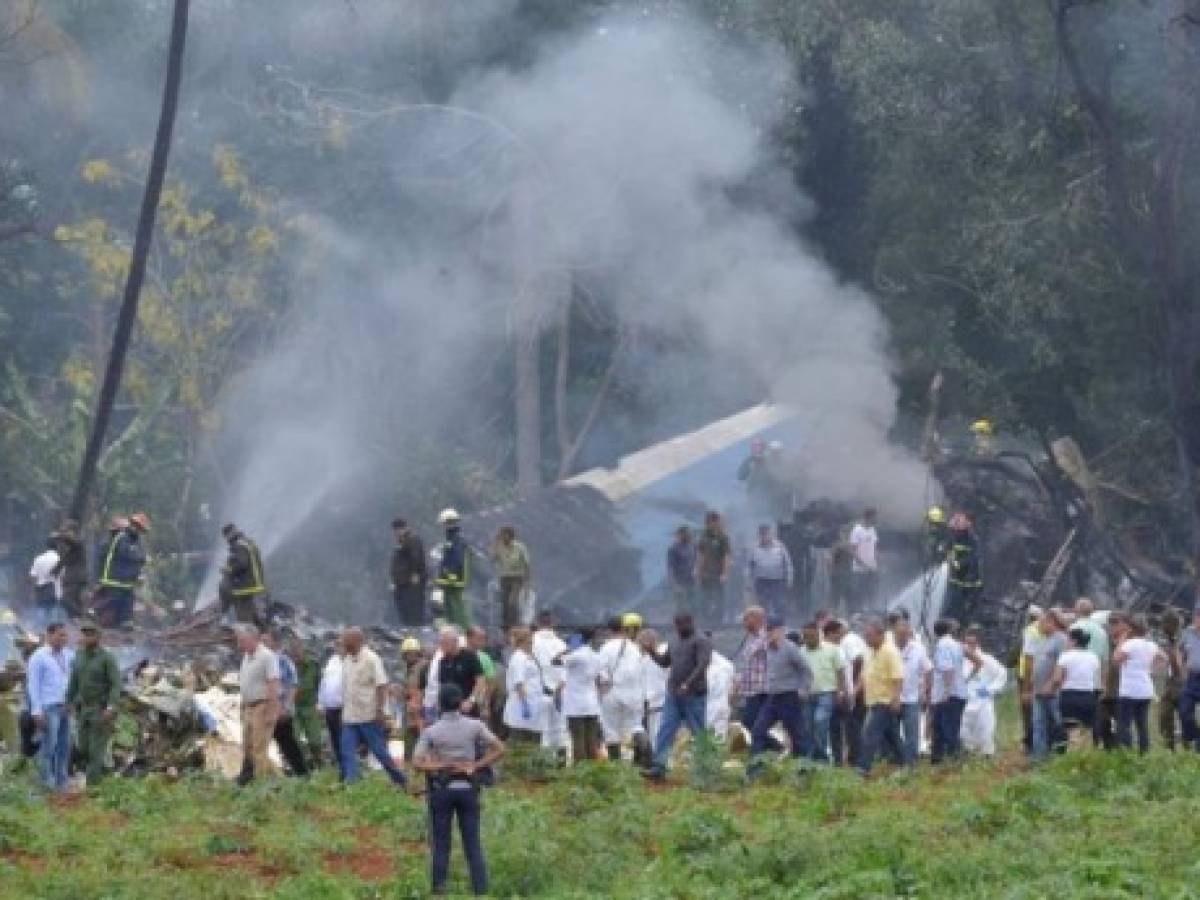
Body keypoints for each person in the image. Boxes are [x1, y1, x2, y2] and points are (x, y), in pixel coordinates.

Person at [412, 683, 505, 897]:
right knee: (473, 844)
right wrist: (477, 765)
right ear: (460, 703)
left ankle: (439, 890)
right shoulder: (474, 726)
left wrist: (440, 766)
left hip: (442, 790)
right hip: (468, 789)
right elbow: (500, 748)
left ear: (440, 705)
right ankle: (480, 891)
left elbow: (417, 762)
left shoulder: (431, 731)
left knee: (441, 844)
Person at [645, 612, 711, 780]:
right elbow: (665, 662)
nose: (680, 628)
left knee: (698, 731)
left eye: (682, 624)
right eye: (677, 625)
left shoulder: (701, 640)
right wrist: (652, 652)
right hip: (674, 694)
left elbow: (703, 664)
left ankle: (706, 769)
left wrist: (688, 683)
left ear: (691, 623)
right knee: (666, 730)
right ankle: (659, 767)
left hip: (694, 694)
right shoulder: (674, 641)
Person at [338, 627, 406, 786]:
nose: (345, 646)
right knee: (347, 750)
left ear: (357, 641)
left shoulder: (371, 659)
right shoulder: (346, 660)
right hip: (350, 716)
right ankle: (351, 783)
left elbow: (381, 685)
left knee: (380, 752)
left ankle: (400, 779)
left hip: (369, 715)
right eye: (344, 643)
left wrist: (380, 710)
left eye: (348, 642)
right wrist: (343, 711)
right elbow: (346, 688)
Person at [747, 614, 811, 775]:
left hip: (789, 697)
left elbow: (805, 670)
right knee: (758, 730)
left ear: (781, 631)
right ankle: (755, 770)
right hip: (772, 697)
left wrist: (803, 689)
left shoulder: (790, 648)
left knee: (798, 735)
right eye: (767, 630)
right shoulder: (767, 647)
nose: (769, 633)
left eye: (772, 630)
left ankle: (803, 771)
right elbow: (749, 654)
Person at [66, 618, 120, 785]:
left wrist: (111, 707)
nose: (86, 637)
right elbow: (74, 680)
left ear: (98, 637)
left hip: (101, 709)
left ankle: (93, 786)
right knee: (82, 746)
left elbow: (116, 684)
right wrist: (69, 701)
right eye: (84, 634)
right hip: (84, 709)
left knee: (96, 749)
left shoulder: (107, 658)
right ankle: (95, 774)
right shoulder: (79, 655)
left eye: (90, 634)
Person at [599, 613, 651, 763]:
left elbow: (601, 672)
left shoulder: (606, 648)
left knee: (611, 729)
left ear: (609, 630)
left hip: (612, 692)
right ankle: (643, 759)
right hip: (634, 694)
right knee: (635, 726)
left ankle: (616, 766)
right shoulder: (634, 648)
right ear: (624, 628)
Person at [27, 622, 73, 792]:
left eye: (65, 636)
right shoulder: (39, 657)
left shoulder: (68, 655)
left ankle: (62, 782)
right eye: (60, 635)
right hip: (49, 708)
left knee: (64, 746)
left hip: (65, 707)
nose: (64, 639)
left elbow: (72, 679)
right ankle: (46, 783)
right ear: (49, 635)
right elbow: (33, 685)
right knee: (48, 746)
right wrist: (36, 711)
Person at [1112, 616, 1166, 754]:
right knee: (1142, 724)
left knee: (1124, 724)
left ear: (1131, 629)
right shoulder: (1151, 645)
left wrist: (1122, 640)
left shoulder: (1130, 644)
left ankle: (1126, 752)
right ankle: (1144, 753)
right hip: (1146, 689)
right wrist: (1152, 668)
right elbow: (1163, 658)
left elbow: (1116, 659)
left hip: (1129, 690)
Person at [857, 620, 904, 776]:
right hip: (873, 700)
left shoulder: (890, 651)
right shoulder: (871, 652)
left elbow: (898, 677)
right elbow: (865, 676)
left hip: (885, 700)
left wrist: (896, 699)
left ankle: (863, 768)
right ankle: (904, 763)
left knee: (869, 733)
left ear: (880, 635)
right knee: (891, 736)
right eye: (865, 636)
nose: (866, 639)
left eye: (869, 636)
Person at [235, 625, 280, 785]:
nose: (239, 645)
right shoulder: (247, 656)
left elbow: (273, 683)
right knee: (247, 743)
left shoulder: (267, 657)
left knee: (259, 746)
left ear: (253, 639)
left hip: (262, 705)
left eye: (242, 641)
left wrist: (271, 711)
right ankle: (246, 776)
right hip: (248, 706)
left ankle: (262, 783)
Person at [799, 620, 844, 763]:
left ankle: (823, 758)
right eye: (805, 637)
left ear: (818, 634)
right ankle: (811, 757)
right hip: (808, 694)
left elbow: (840, 671)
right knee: (808, 726)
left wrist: (840, 691)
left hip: (827, 693)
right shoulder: (801, 652)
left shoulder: (832, 649)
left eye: (811, 636)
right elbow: (799, 673)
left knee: (820, 722)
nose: (808, 640)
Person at [556, 628, 604, 762]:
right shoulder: (596, 655)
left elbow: (555, 661)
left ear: (579, 638)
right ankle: (592, 768)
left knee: (577, 738)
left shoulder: (576, 655)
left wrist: (568, 649)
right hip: (591, 703)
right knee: (591, 740)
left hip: (576, 704)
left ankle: (580, 769)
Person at [733, 607, 776, 752]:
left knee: (754, 724)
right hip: (751, 690)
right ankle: (771, 749)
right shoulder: (750, 638)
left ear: (757, 619)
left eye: (747, 619)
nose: (744, 623)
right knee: (749, 724)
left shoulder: (768, 636)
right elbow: (748, 663)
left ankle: (771, 749)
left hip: (763, 689)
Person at [959, 627, 1006, 757]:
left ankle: (987, 753)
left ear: (977, 643)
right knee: (964, 729)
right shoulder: (959, 659)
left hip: (982, 700)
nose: (969, 646)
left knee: (985, 728)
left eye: (972, 643)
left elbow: (1001, 673)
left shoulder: (987, 659)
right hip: (965, 700)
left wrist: (991, 690)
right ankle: (968, 751)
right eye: (967, 643)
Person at [96, 513, 149, 626]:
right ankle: (94, 614)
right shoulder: (122, 537)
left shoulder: (136, 541)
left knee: (127, 607)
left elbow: (140, 558)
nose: (139, 531)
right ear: (133, 525)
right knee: (112, 603)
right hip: (116, 579)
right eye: (137, 527)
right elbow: (126, 554)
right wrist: (141, 557)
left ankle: (125, 625)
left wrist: (139, 573)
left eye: (141, 529)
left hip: (128, 581)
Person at [1028, 610, 1067, 761]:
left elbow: (1061, 664)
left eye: (1042, 622)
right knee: (1038, 724)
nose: (1039, 625)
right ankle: (1039, 756)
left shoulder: (1061, 640)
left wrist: (1051, 683)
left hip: (1054, 691)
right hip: (1039, 690)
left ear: (1052, 622)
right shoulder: (1044, 640)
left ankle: (1061, 756)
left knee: (1058, 722)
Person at [930, 619, 969, 763]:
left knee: (945, 729)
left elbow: (948, 669)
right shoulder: (956, 645)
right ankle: (939, 760)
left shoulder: (943, 645)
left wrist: (946, 691)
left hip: (948, 695)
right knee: (944, 728)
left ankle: (951, 761)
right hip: (956, 692)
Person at [1053, 627, 1101, 745]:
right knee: (1087, 730)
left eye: (1068, 639)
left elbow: (1057, 678)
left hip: (1069, 696)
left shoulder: (1065, 656)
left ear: (1074, 641)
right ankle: (1087, 756)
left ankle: (1073, 756)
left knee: (1072, 730)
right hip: (1088, 695)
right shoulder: (1093, 657)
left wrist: (1054, 688)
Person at [893, 619, 930, 767]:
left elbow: (928, 670)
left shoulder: (918, 649)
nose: (902, 637)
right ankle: (896, 760)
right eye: (899, 634)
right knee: (892, 733)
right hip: (892, 697)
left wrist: (925, 691)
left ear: (909, 634)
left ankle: (910, 764)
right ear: (894, 633)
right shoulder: (888, 647)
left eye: (905, 634)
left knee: (912, 733)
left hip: (912, 697)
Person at [826, 619, 864, 767]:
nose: (841, 635)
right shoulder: (837, 645)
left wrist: (853, 684)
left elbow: (858, 660)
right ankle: (842, 759)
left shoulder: (845, 643)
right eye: (839, 632)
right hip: (839, 691)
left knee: (849, 727)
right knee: (842, 727)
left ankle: (852, 760)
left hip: (847, 692)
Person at [533, 611, 569, 758]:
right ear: (553, 623)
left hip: (539, 692)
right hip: (560, 692)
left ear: (537, 623)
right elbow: (565, 670)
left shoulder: (532, 642)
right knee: (560, 731)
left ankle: (544, 767)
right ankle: (560, 766)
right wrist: (560, 688)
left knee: (543, 731)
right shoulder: (561, 644)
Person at [502, 627, 544, 744]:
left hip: (534, 704)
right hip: (521, 705)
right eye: (529, 640)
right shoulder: (518, 657)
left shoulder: (529, 656)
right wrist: (525, 704)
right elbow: (518, 683)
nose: (532, 643)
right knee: (520, 740)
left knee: (533, 738)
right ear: (522, 641)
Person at [288, 636, 324, 769]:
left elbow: (321, 685)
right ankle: (299, 767)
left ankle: (319, 765)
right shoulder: (287, 665)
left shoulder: (313, 665)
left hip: (310, 707)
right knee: (295, 739)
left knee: (315, 740)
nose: (296, 653)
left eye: (298, 649)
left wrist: (320, 703)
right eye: (293, 650)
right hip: (293, 708)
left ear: (303, 650)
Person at [435, 626, 487, 718]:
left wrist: (471, 700)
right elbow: (442, 685)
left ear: (455, 642)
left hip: (468, 709)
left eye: (445, 643)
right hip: (448, 712)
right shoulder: (442, 662)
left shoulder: (469, 657)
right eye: (441, 643)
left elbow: (481, 681)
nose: (442, 646)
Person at [746, 524, 794, 617]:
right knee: (762, 605)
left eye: (767, 534)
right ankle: (764, 625)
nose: (765, 537)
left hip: (777, 580)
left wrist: (789, 579)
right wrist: (748, 582)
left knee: (779, 604)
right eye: (762, 534)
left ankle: (780, 625)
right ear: (759, 535)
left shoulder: (780, 546)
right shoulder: (754, 548)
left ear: (771, 534)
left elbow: (788, 564)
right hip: (761, 580)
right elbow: (748, 566)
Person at [434, 509, 471, 628]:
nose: (443, 526)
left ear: (450, 523)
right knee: (449, 609)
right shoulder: (450, 539)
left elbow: (457, 559)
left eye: (445, 524)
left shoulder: (457, 540)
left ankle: (464, 630)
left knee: (457, 609)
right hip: (449, 581)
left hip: (454, 581)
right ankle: (454, 629)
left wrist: (450, 574)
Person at [489, 526, 531, 629]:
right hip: (504, 577)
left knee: (512, 602)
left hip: (517, 578)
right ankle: (506, 626)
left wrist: (527, 582)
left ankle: (514, 625)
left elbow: (527, 564)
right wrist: (495, 544)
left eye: (505, 535)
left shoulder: (520, 547)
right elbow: (492, 559)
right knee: (504, 602)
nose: (503, 537)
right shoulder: (500, 547)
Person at [694, 512, 731, 626]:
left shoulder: (723, 537)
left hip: (718, 574)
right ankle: (706, 621)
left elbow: (726, 556)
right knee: (704, 598)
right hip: (706, 574)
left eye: (715, 522)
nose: (712, 524)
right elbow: (700, 554)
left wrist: (725, 573)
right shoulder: (703, 537)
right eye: (709, 522)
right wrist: (697, 570)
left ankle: (718, 621)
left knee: (719, 598)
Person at [389, 518, 427, 626]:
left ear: (405, 528)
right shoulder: (401, 542)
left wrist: (415, 574)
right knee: (404, 609)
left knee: (414, 608)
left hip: (411, 583)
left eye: (399, 529)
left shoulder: (413, 539)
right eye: (395, 530)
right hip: (401, 582)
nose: (397, 532)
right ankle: (408, 627)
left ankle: (416, 628)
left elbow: (416, 558)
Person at [1096, 612, 1126, 749]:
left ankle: (1120, 750)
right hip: (1105, 688)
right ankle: (1109, 749)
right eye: (1111, 622)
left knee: (1121, 723)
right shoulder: (1104, 640)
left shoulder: (1129, 642)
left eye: (1116, 622)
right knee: (1102, 722)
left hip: (1121, 689)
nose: (1112, 626)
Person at [1017, 605, 1045, 752]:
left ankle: (1030, 742)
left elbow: (1028, 656)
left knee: (1028, 708)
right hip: (1042, 673)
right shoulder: (1045, 629)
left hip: (1027, 674)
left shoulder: (1029, 630)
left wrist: (1026, 687)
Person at [945, 513, 983, 618]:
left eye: (957, 530)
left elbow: (974, 557)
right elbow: (949, 550)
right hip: (955, 582)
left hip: (971, 583)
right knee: (952, 609)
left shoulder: (973, 540)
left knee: (967, 612)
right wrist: (949, 557)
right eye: (954, 530)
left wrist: (960, 563)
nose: (955, 532)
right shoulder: (953, 538)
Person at [317, 639, 346, 772]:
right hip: (330, 707)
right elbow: (325, 682)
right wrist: (321, 702)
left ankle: (347, 768)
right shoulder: (332, 661)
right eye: (337, 646)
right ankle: (341, 766)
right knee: (334, 739)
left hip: (344, 708)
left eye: (340, 646)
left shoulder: (350, 661)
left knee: (344, 739)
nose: (338, 648)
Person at [1159, 609, 1185, 750]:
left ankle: (1187, 746)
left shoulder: (1180, 639)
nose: (1162, 627)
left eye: (1164, 624)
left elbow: (1178, 668)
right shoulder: (1170, 639)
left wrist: (1172, 651)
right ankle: (1170, 749)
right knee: (1165, 719)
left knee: (1184, 717)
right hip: (1170, 682)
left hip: (1180, 683)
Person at [52, 520, 87, 619]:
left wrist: (60, 535)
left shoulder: (79, 543)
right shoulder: (71, 548)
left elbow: (71, 541)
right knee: (74, 601)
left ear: (73, 531)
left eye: (68, 531)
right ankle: (76, 621)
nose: (66, 533)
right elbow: (64, 560)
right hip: (72, 579)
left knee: (66, 599)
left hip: (76, 578)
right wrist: (55, 570)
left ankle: (82, 616)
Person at [639, 628, 667, 748]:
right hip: (657, 701)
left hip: (656, 701)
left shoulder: (648, 659)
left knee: (656, 734)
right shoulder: (646, 659)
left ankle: (658, 761)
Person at [1177, 606, 1200, 751]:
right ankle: (1195, 736)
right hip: (1192, 678)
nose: (1198, 620)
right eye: (1197, 617)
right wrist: (1182, 666)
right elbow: (1180, 650)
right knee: (1184, 711)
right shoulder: (1187, 633)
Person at [848, 508, 880, 611]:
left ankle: (869, 611)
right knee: (859, 592)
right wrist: (861, 563)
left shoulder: (872, 530)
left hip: (872, 568)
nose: (876, 520)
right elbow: (852, 550)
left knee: (871, 592)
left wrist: (877, 563)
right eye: (874, 518)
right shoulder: (857, 530)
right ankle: (856, 612)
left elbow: (874, 547)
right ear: (868, 517)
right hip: (859, 569)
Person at [28, 537, 62, 629]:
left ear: (47, 546)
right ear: (57, 547)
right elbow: (63, 576)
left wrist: (32, 591)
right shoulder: (59, 559)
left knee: (41, 610)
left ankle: (40, 634)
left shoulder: (38, 558)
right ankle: (52, 635)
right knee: (54, 615)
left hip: (41, 590)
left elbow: (33, 576)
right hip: (55, 591)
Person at [706, 646, 736, 742]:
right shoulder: (727, 664)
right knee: (719, 739)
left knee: (707, 740)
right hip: (723, 705)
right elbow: (733, 688)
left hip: (710, 707)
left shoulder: (702, 664)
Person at [666, 526, 697, 610]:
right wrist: (674, 585)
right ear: (680, 535)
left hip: (692, 581)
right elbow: (670, 567)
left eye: (689, 534)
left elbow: (696, 561)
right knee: (681, 607)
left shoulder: (693, 546)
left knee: (694, 606)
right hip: (680, 582)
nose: (689, 536)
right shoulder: (673, 549)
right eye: (686, 534)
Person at [1073, 598, 1110, 666]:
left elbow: (1068, 653)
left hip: (1077, 672)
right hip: (1096, 672)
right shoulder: (1102, 631)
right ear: (1092, 611)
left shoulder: (1074, 628)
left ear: (1076, 610)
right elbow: (1105, 659)